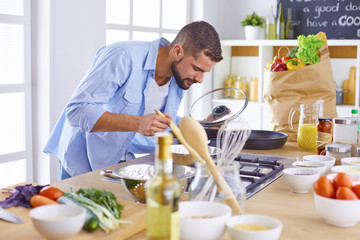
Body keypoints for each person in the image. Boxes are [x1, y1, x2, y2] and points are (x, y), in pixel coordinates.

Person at [43, 21, 223, 180]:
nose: (200, 79)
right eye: (197, 69)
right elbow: (77, 111)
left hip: (118, 162)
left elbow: (160, 122)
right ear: (177, 51)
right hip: (81, 162)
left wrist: (202, 126)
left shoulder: (179, 78)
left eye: (205, 72)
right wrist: (136, 123)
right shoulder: (123, 56)